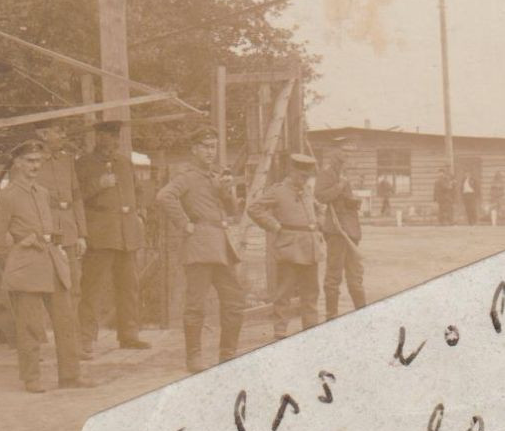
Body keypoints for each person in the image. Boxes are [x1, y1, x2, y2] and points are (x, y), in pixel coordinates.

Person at [0, 139, 92, 392]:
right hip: (28, 269)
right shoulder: (8, 196)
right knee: (30, 326)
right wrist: (15, 262)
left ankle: (70, 376)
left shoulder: (42, 192)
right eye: (30, 161)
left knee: (66, 321)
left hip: (53, 263)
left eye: (38, 161)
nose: (35, 166)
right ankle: (31, 378)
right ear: (18, 164)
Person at [157, 127, 246, 373]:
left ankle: (228, 355)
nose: (210, 152)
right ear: (194, 149)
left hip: (221, 246)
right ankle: (193, 359)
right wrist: (184, 223)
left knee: (235, 301)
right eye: (205, 147)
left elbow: (231, 212)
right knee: (196, 305)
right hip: (199, 247)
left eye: (214, 147)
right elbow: (164, 197)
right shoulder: (186, 176)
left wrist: (226, 190)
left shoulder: (216, 176)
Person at [77, 121, 148, 350]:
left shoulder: (124, 163)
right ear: (98, 138)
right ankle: (86, 338)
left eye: (115, 137)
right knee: (92, 288)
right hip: (100, 235)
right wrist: (99, 184)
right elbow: (76, 197)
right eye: (107, 136)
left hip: (126, 234)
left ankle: (128, 335)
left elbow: (137, 191)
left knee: (129, 286)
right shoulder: (84, 164)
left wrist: (141, 214)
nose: (113, 142)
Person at [248, 153, 324, 339]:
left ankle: (310, 328)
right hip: (289, 247)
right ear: (291, 171)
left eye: (307, 176)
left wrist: (319, 221)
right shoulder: (278, 191)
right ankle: (280, 330)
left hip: (310, 248)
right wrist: (274, 226)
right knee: (284, 292)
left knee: (311, 292)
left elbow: (316, 209)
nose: (304, 180)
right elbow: (254, 209)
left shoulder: (306, 190)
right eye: (301, 176)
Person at [33, 121, 90, 355]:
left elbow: (76, 198)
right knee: (39, 290)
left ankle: (72, 346)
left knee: (73, 287)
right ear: (43, 134)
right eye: (58, 130)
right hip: (42, 235)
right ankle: (34, 347)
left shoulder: (67, 161)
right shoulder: (32, 162)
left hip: (68, 232)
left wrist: (81, 234)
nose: (63, 134)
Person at [316, 137, 368, 319]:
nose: (347, 156)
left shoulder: (345, 173)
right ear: (335, 153)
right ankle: (332, 316)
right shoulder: (328, 173)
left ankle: (363, 314)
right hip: (337, 231)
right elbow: (320, 196)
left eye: (348, 152)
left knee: (355, 276)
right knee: (333, 277)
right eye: (344, 152)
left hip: (351, 230)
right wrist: (339, 186)